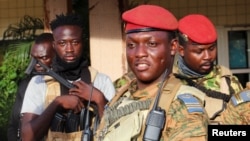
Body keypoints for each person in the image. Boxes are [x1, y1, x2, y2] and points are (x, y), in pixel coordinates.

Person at [95, 5, 209, 141]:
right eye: (131, 45)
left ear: (173, 47)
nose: (139, 53)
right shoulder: (122, 96)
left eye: (152, 44)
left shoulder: (181, 107)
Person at [20, 14, 115, 141]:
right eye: (62, 43)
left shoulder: (101, 80)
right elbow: (27, 137)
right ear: (54, 46)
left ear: (83, 43)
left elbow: (117, 132)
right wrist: (56, 104)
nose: (69, 49)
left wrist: (99, 99)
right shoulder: (39, 82)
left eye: (75, 42)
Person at [173, 14, 243, 124]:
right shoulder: (168, 81)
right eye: (199, 51)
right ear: (181, 50)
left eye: (211, 48)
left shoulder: (227, 81)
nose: (207, 56)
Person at [7, 32, 55, 141]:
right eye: (35, 58)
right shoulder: (27, 84)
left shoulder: (66, 82)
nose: (38, 64)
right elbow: (13, 124)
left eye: (44, 58)